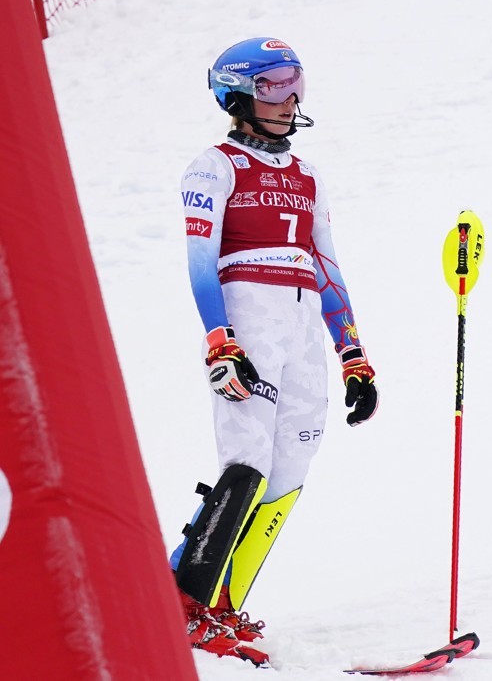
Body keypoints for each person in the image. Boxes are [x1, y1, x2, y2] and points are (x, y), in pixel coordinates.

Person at [170, 37, 379, 666]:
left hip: (302, 324)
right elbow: (201, 262)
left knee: (289, 469)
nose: (288, 101)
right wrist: (220, 340)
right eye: (271, 87)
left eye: (295, 85)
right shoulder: (215, 165)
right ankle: (182, 605)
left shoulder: (307, 176)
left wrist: (352, 353)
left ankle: (223, 601)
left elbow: (326, 265)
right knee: (248, 458)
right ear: (236, 94)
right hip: (249, 316)